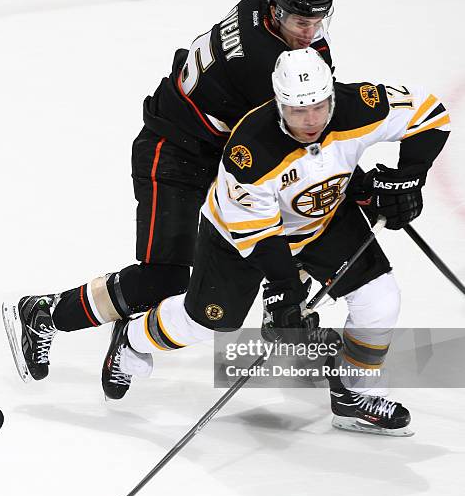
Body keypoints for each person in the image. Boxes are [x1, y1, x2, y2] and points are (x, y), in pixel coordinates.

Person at [3, 0, 335, 393]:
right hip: (173, 153)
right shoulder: (262, 62)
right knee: (165, 277)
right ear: (274, 12)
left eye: (316, 20)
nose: (310, 32)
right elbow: (300, 138)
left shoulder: (266, 6)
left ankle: (275, 304)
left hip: (213, 150)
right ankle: (43, 313)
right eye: (300, 22)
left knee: (300, 214)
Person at [96, 48, 448, 435]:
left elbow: (431, 114)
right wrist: (284, 289)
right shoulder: (251, 151)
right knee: (205, 324)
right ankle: (131, 339)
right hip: (240, 239)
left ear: (331, 94)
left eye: (319, 105)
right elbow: (259, 235)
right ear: (279, 104)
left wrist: (408, 178)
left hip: (325, 219)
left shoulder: (357, 106)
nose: (311, 119)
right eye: (298, 111)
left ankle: (352, 395)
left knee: (381, 300)